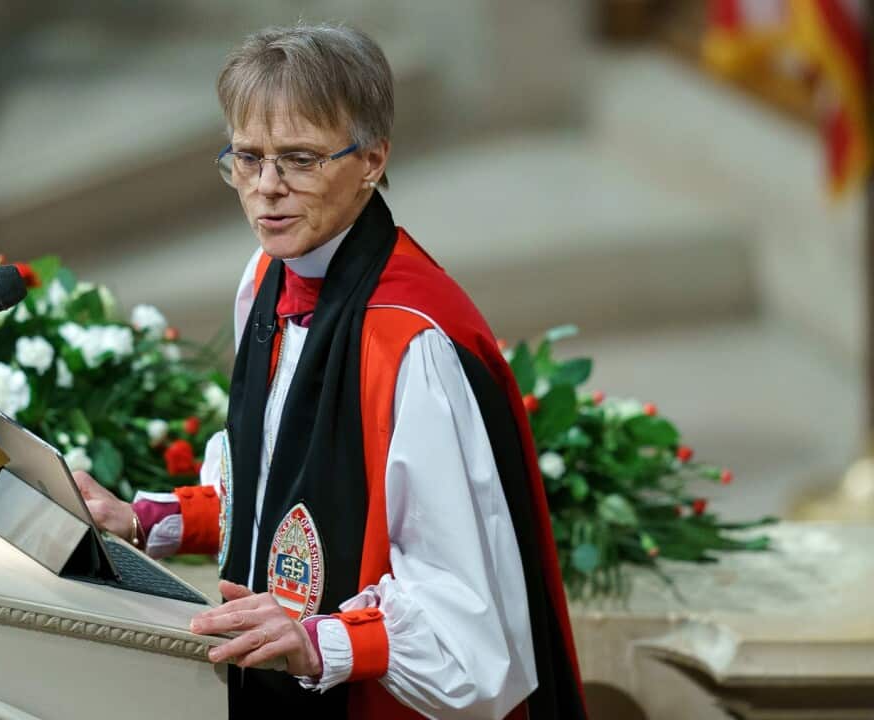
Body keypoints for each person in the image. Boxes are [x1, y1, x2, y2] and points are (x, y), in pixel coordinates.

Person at [73, 22, 587, 719]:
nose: (266, 190)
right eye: (247, 159)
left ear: (373, 159)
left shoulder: (409, 344)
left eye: (300, 160)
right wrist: (145, 519)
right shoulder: (266, 281)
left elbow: (471, 638)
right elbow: (280, 496)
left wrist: (318, 645)